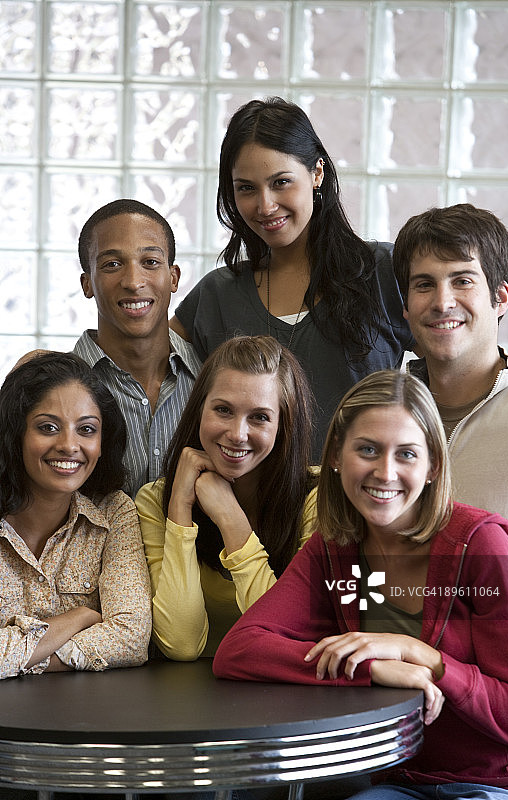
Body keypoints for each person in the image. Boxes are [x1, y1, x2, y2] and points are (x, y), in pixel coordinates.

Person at [213, 370, 508, 799]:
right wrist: (371, 669)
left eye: (406, 454)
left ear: (433, 466)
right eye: (367, 449)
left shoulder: (482, 547)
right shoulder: (334, 549)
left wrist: (427, 658)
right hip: (400, 781)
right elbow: (239, 649)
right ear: (335, 457)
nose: (385, 472)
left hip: (497, 785)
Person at [170, 97, 414, 460]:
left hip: (358, 505)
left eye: (281, 182)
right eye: (246, 188)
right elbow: (145, 372)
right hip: (248, 510)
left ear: (317, 173)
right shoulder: (217, 294)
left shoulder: (381, 270)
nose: (265, 206)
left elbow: (453, 361)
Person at [136, 335, 318, 660]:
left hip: (287, 699)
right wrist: (180, 506)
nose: (237, 434)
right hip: (187, 702)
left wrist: (230, 517)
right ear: (199, 410)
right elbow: (181, 644)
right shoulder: (154, 501)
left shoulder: (318, 499)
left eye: (259, 417)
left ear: (284, 424)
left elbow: (287, 631)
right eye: (223, 410)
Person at [393, 203, 508, 565]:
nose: (442, 302)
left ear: (500, 298)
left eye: (463, 281)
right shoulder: (379, 413)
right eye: (424, 284)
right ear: (406, 307)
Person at [0, 352, 151, 680]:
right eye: (48, 427)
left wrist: (18, 659)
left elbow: (131, 638)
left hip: (91, 723)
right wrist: (80, 617)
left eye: (86, 429)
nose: (70, 445)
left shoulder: (114, 512)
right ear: (16, 433)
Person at [75, 198, 202, 496]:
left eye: (150, 262)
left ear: (173, 277)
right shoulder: (53, 389)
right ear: (87, 284)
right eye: (112, 264)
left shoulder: (211, 378)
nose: (133, 282)